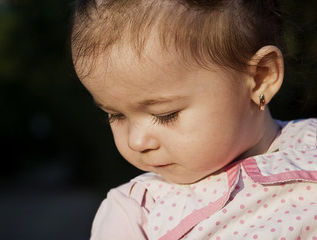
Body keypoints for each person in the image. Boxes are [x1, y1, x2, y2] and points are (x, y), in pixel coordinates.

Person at [70, 0, 317, 239]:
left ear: (261, 78)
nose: (136, 141)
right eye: (115, 115)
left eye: (165, 115)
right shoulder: (138, 212)